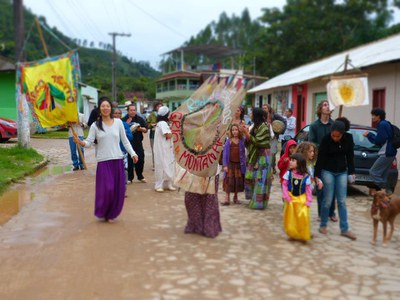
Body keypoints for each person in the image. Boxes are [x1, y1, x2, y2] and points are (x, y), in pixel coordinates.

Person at [73, 97, 138, 223]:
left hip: (117, 160)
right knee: (108, 188)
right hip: (103, 162)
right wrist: (80, 142)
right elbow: (89, 142)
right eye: (103, 106)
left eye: (107, 106)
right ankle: (103, 211)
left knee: (117, 190)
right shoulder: (95, 126)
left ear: (111, 108)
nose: (105, 108)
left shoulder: (118, 123)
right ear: (99, 108)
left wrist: (133, 154)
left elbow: (124, 141)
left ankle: (111, 214)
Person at [315, 120, 356, 240]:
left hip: (342, 172)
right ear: (331, 132)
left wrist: (352, 171)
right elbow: (321, 157)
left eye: (338, 136)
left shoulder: (348, 138)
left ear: (343, 134)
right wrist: (317, 175)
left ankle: (345, 229)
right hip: (327, 171)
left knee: (342, 201)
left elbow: (350, 156)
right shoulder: (326, 139)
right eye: (333, 135)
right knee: (327, 199)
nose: (335, 138)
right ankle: (323, 225)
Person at [308, 100, 337, 222]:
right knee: (320, 188)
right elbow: (312, 143)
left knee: (332, 187)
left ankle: (332, 212)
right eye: (325, 105)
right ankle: (321, 213)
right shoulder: (314, 126)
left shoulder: (334, 125)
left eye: (329, 105)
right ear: (320, 109)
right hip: (319, 161)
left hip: (332, 161)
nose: (327, 107)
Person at [243, 107, 272, 209]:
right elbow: (250, 141)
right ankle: (253, 199)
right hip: (255, 156)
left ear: (256, 115)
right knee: (252, 177)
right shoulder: (255, 126)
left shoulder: (264, 127)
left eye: (252, 113)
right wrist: (246, 133)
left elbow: (259, 142)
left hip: (263, 156)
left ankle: (259, 203)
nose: (250, 115)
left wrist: (247, 134)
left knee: (260, 179)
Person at [363, 108, 397, 195]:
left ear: (378, 116)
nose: (372, 117)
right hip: (391, 153)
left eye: (373, 115)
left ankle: (387, 190)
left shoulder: (381, 124)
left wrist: (369, 135)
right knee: (383, 175)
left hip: (386, 153)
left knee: (373, 172)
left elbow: (379, 140)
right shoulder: (386, 123)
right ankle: (386, 195)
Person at [282, 153, 313, 241]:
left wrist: (308, 200)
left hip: (301, 199)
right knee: (291, 217)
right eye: (290, 160)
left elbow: (308, 189)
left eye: (293, 161)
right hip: (291, 199)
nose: (290, 162)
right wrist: (286, 196)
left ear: (299, 163)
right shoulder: (288, 173)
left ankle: (303, 234)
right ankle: (292, 233)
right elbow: (284, 185)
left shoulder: (306, 177)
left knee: (303, 216)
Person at [221, 123, 246, 205]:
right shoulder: (229, 141)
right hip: (230, 165)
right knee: (228, 181)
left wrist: (245, 129)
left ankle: (235, 197)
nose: (235, 132)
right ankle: (227, 197)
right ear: (231, 131)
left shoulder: (241, 141)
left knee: (237, 182)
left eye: (236, 130)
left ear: (239, 131)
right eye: (233, 130)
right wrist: (225, 165)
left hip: (239, 165)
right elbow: (225, 154)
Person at [122, 104, 148, 183]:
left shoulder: (140, 119)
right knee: (129, 160)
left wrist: (140, 129)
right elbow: (121, 130)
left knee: (141, 159)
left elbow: (146, 129)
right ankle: (130, 178)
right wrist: (126, 124)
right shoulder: (124, 119)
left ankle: (140, 176)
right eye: (131, 110)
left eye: (134, 110)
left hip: (138, 142)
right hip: (128, 143)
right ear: (128, 111)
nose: (133, 112)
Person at [153, 106, 176, 192]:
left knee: (169, 164)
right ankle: (159, 185)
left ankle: (168, 184)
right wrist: (175, 130)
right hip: (162, 149)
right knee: (162, 166)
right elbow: (168, 135)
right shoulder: (162, 123)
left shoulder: (162, 123)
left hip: (166, 148)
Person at [262, 103, 286, 174]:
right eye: (263, 108)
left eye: (265, 108)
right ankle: (267, 168)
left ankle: (272, 166)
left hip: (273, 138)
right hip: (264, 138)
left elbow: (284, 121)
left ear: (269, 109)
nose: (264, 110)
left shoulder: (274, 116)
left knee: (272, 153)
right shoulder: (261, 116)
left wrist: (281, 131)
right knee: (265, 153)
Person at [147, 101, 163, 171]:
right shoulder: (152, 115)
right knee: (154, 150)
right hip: (153, 134)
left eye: (161, 106)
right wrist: (152, 125)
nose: (159, 108)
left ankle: (162, 164)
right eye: (158, 106)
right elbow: (147, 124)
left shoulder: (164, 114)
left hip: (162, 134)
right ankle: (155, 165)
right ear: (155, 107)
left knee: (162, 149)